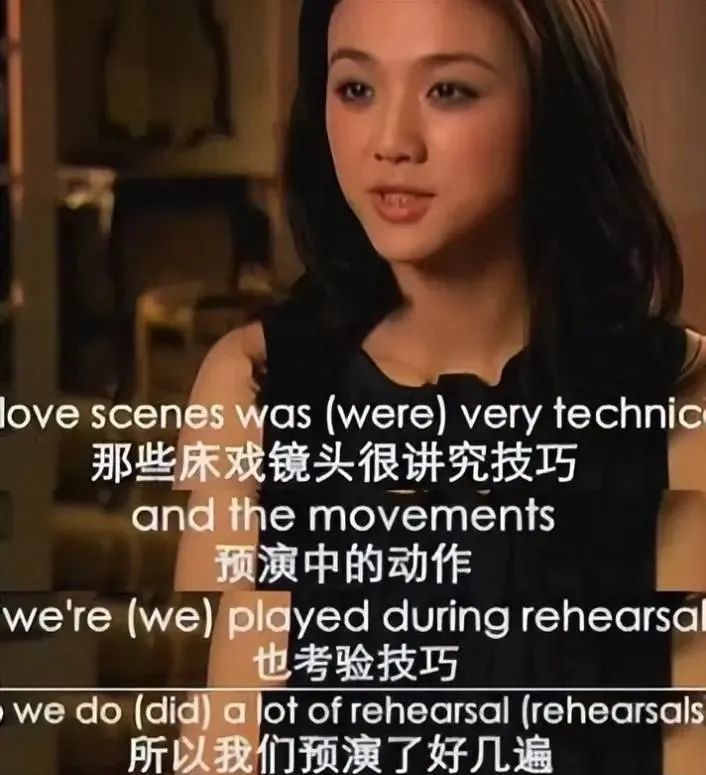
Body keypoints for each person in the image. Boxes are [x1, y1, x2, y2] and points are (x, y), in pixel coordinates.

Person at [174, 0, 706, 772]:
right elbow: (229, 742)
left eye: (448, 90)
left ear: (553, 104)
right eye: (356, 89)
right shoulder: (254, 382)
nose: (391, 142)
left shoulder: (677, 395)